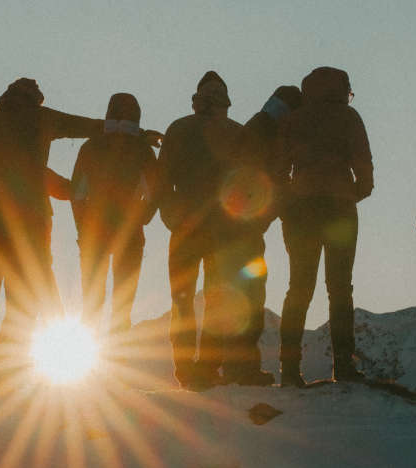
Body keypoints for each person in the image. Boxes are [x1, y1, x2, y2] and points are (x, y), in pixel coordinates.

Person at [0, 78, 105, 384]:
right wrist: (129, 129)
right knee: (28, 297)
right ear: (36, 99)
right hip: (33, 221)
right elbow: (86, 126)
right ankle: (9, 369)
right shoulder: (42, 118)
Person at [277, 66, 373, 387]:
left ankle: (290, 371)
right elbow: (364, 169)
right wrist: (351, 192)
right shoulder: (349, 118)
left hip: (301, 209)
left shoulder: (295, 118)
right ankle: (343, 367)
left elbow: (278, 166)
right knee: (340, 287)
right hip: (340, 209)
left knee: (299, 287)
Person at [209, 85, 304, 386]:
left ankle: (227, 367)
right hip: (241, 230)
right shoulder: (265, 133)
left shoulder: (257, 126)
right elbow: (261, 182)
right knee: (248, 297)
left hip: (232, 228)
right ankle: (241, 369)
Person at [158, 71, 242, 390]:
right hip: (223, 229)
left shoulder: (178, 129)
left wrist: (170, 216)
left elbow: (162, 180)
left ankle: (184, 371)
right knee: (217, 299)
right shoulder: (236, 132)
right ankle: (207, 367)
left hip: (184, 227)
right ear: (225, 101)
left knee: (181, 301)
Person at [69, 93, 160, 337]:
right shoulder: (143, 150)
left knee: (91, 302)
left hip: (93, 233)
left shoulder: (90, 147)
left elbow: (76, 194)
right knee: (123, 304)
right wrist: (142, 219)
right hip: (130, 234)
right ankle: (119, 359)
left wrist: (81, 228)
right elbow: (155, 193)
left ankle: (90, 368)